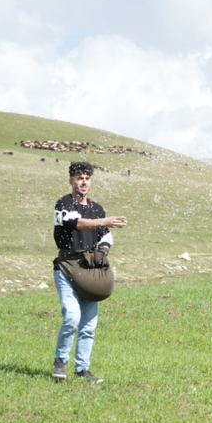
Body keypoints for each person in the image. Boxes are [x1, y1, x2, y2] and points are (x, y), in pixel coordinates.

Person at [51, 161, 127, 383]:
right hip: (66, 266)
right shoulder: (63, 204)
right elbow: (75, 223)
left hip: (89, 267)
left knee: (89, 325)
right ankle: (60, 360)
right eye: (79, 178)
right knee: (72, 317)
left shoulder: (97, 208)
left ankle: (82, 370)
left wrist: (103, 251)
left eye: (87, 178)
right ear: (71, 181)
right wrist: (105, 221)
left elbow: (106, 234)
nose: (83, 182)